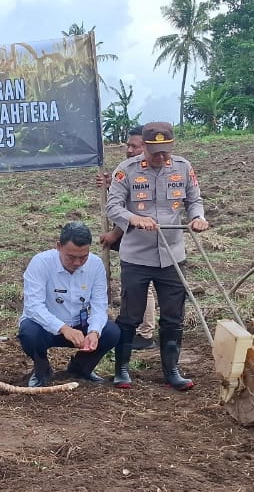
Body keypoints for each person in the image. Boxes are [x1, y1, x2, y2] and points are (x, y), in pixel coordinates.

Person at [106, 121, 209, 391]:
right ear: (145, 148)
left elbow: (194, 200)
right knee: (131, 315)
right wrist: (134, 218)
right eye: (155, 153)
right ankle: (122, 369)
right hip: (136, 256)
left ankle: (172, 370)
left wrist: (197, 218)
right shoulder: (126, 171)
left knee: (173, 315)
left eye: (166, 152)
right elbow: (113, 207)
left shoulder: (183, 167)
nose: (161, 157)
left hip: (172, 255)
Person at [18, 222, 121, 387]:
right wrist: (64, 329)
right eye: (71, 257)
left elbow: (99, 305)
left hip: (80, 326)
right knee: (28, 332)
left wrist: (94, 332)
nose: (77, 263)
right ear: (59, 247)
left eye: (83, 257)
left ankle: (80, 369)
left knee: (111, 332)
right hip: (46, 327)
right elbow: (34, 307)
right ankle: (42, 370)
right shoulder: (41, 263)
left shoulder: (95, 265)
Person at [95, 126, 156, 350]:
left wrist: (114, 234)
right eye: (128, 145)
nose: (129, 150)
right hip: (133, 240)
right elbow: (121, 204)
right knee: (135, 285)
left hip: (143, 240)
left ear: (146, 147)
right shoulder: (129, 169)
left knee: (143, 286)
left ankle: (145, 332)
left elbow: (135, 211)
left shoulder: (149, 173)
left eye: (134, 146)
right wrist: (111, 186)